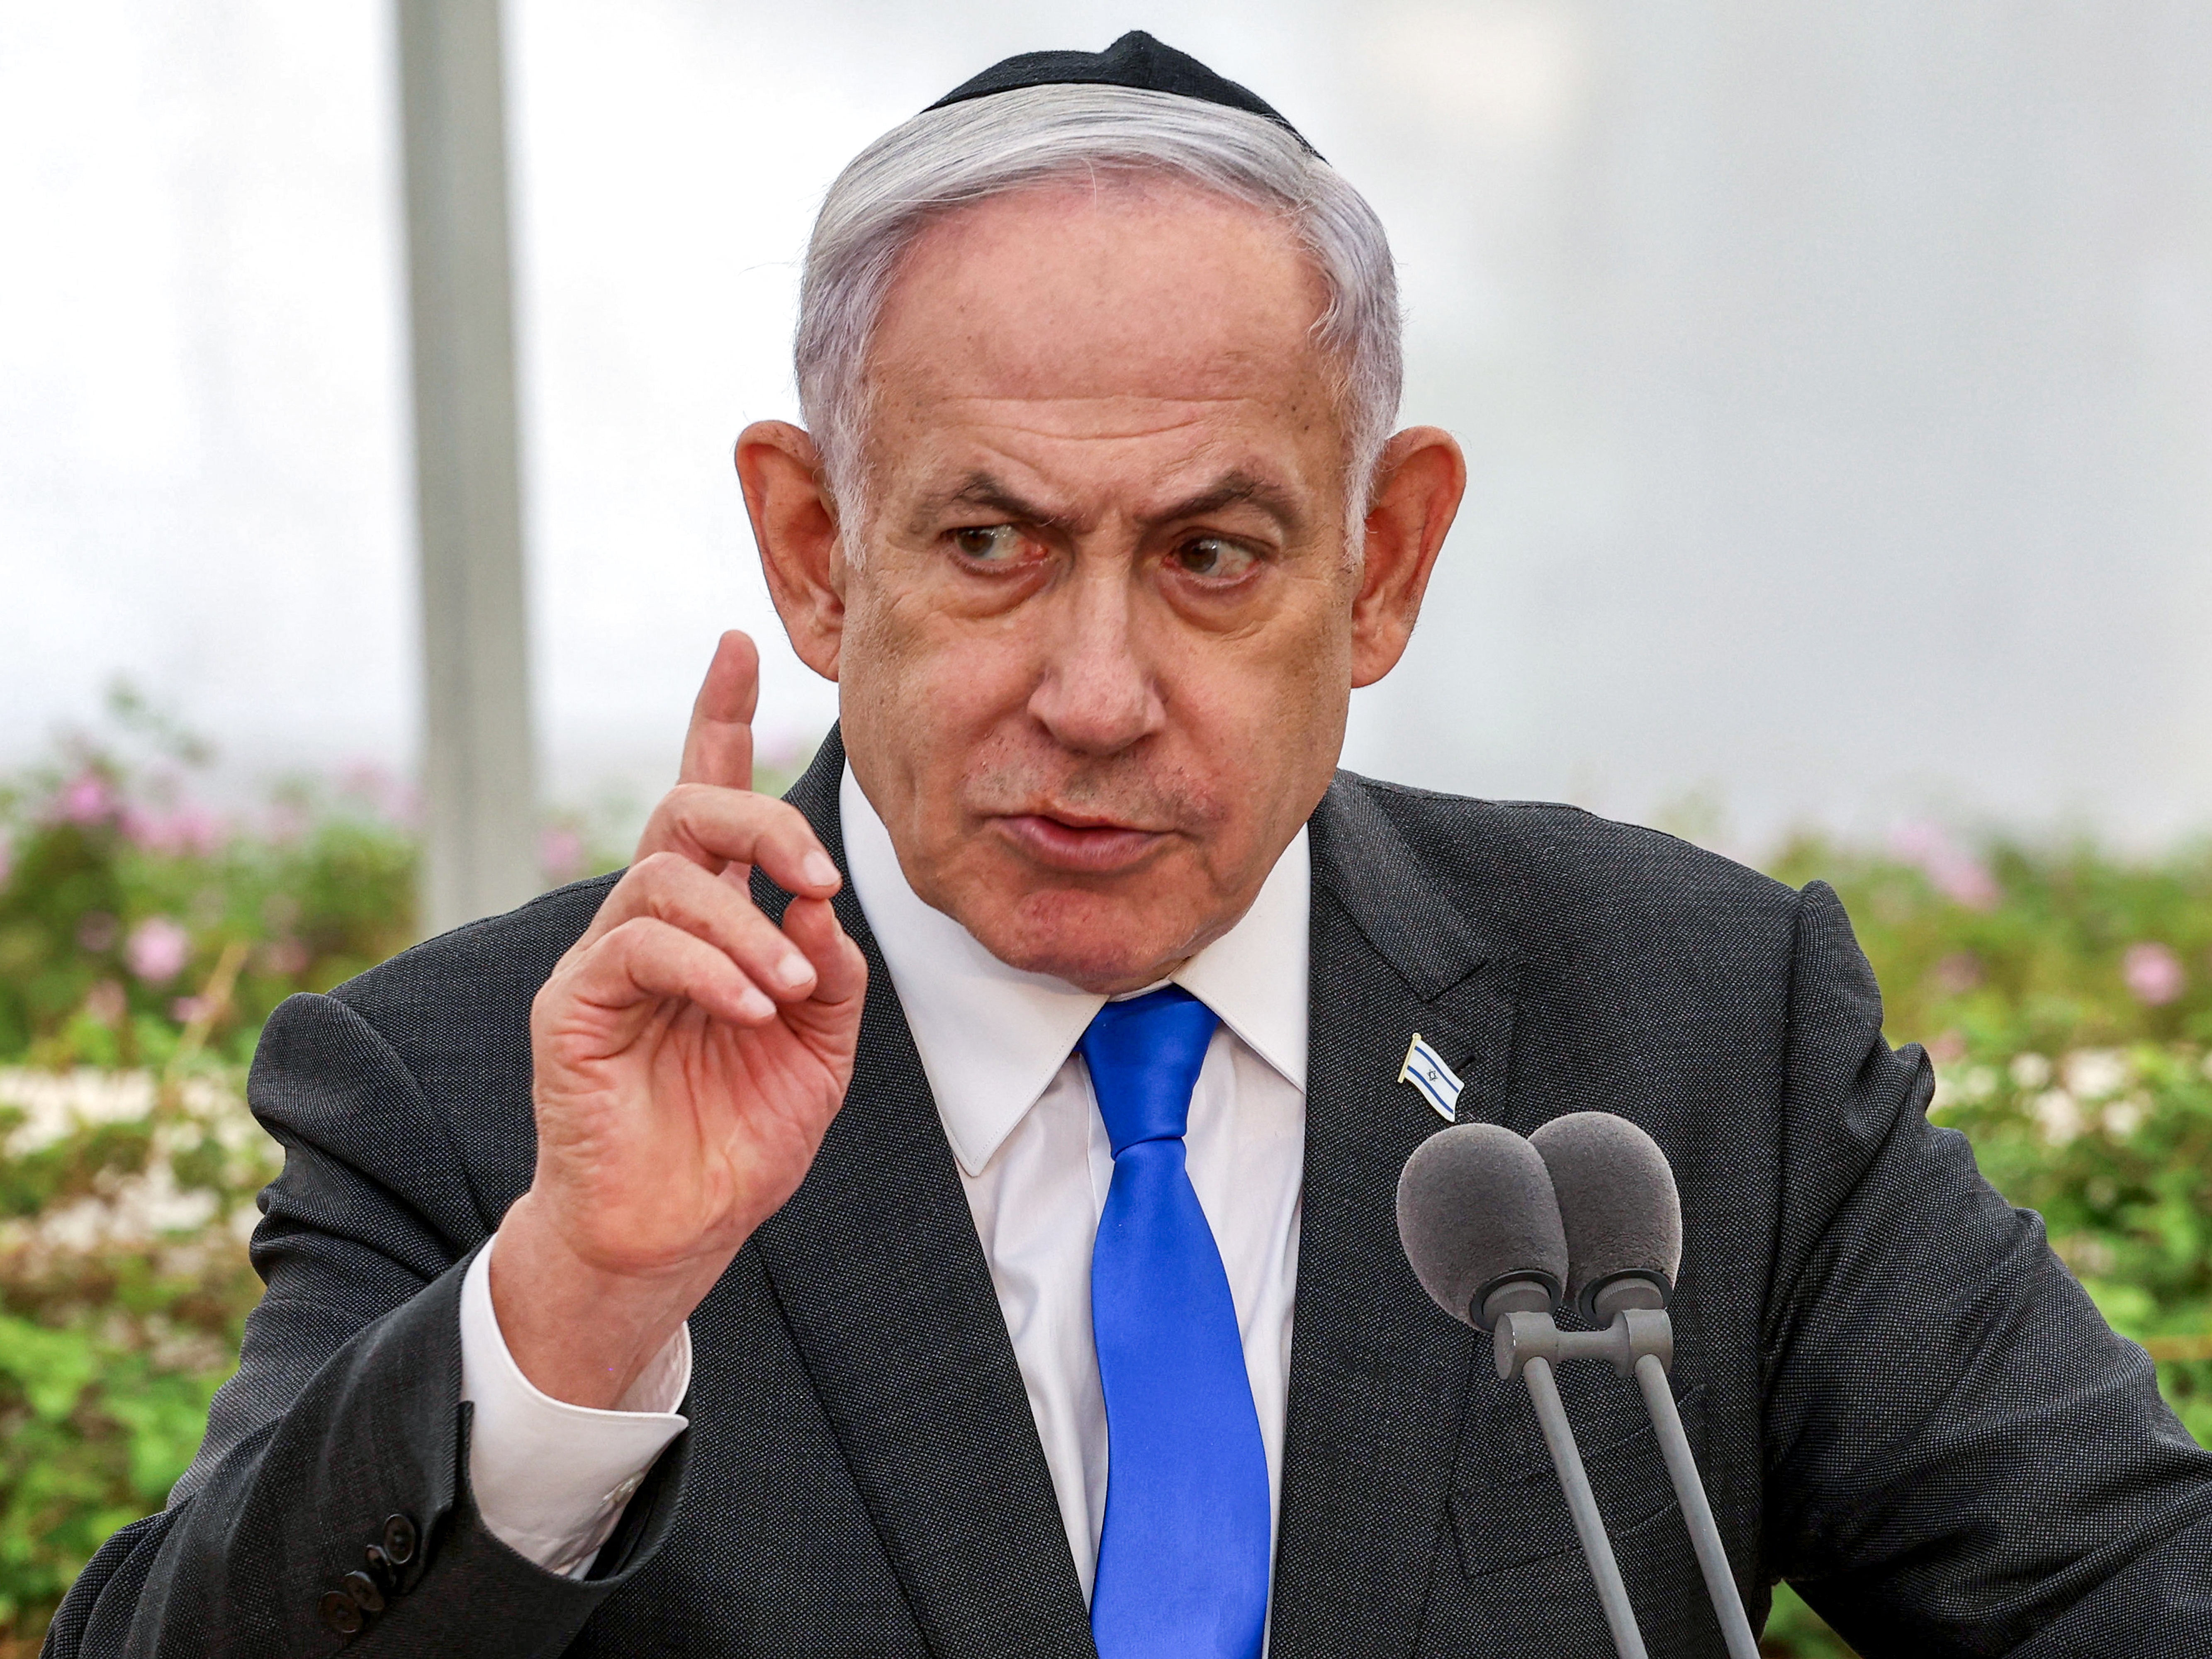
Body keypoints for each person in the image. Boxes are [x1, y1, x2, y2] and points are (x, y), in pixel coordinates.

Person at [46, 32, 2212, 1659]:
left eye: (1209, 554)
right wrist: (580, 1304)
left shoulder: (1683, 1035)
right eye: (988, 542)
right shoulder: (475, 1096)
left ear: (1382, 562)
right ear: (818, 550)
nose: (1092, 688)